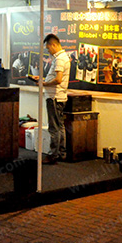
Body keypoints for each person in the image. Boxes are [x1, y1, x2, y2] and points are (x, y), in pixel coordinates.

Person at [29, 34, 70, 164]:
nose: (48, 51)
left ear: (53, 45)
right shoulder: (63, 57)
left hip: (54, 97)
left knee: (54, 128)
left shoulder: (60, 59)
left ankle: (53, 155)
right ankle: (61, 153)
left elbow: (58, 80)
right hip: (59, 97)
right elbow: (56, 78)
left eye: (48, 48)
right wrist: (43, 79)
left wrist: (44, 83)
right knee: (60, 126)